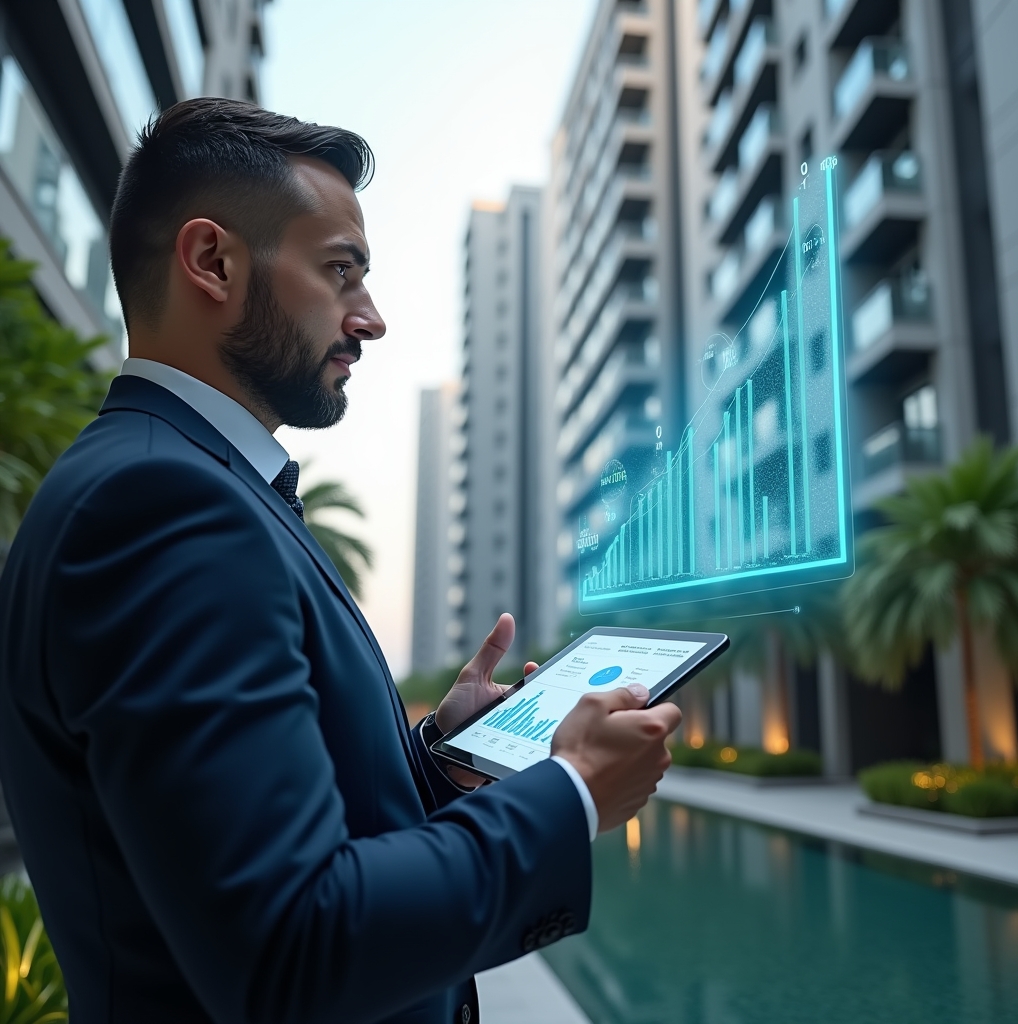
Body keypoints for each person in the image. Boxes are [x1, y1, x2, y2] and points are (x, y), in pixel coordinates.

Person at [0, 99, 681, 1024]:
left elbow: (243, 841)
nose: (372, 319)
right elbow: (291, 946)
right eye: (340, 272)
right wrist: (572, 792)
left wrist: (436, 760)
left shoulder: (173, 482)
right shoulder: (163, 508)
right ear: (212, 262)